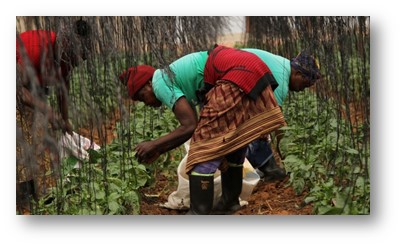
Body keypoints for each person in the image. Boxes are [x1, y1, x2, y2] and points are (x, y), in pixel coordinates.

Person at [120, 45, 320, 215]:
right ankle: (229, 201)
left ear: (147, 85)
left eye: (141, 97)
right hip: (248, 70)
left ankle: (199, 212)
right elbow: (201, 117)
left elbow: (190, 126)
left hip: (237, 74)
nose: (144, 103)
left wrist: (153, 145)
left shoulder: (159, 81)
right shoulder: (170, 76)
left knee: (204, 146)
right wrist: (159, 148)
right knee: (233, 138)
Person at [16, 19, 91, 213]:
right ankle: (21, 194)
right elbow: (17, 88)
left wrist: (65, 121)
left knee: (41, 137)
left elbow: (62, 91)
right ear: (67, 44)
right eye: (77, 57)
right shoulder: (34, 47)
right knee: (19, 139)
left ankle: (40, 192)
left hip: (34, 89)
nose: (76, 63)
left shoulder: (66, 59)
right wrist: (48, 111)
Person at [243, 49, 321, 182]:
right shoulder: (281, 80)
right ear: (298, 73)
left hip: (230, 75)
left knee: (259, 126)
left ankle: (266, 167)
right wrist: (287, 158)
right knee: (253, 130)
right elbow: (277, 122)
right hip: (220, 78)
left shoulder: (282, 66)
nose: (302, 90)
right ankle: (239, 170)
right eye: (305, 84)